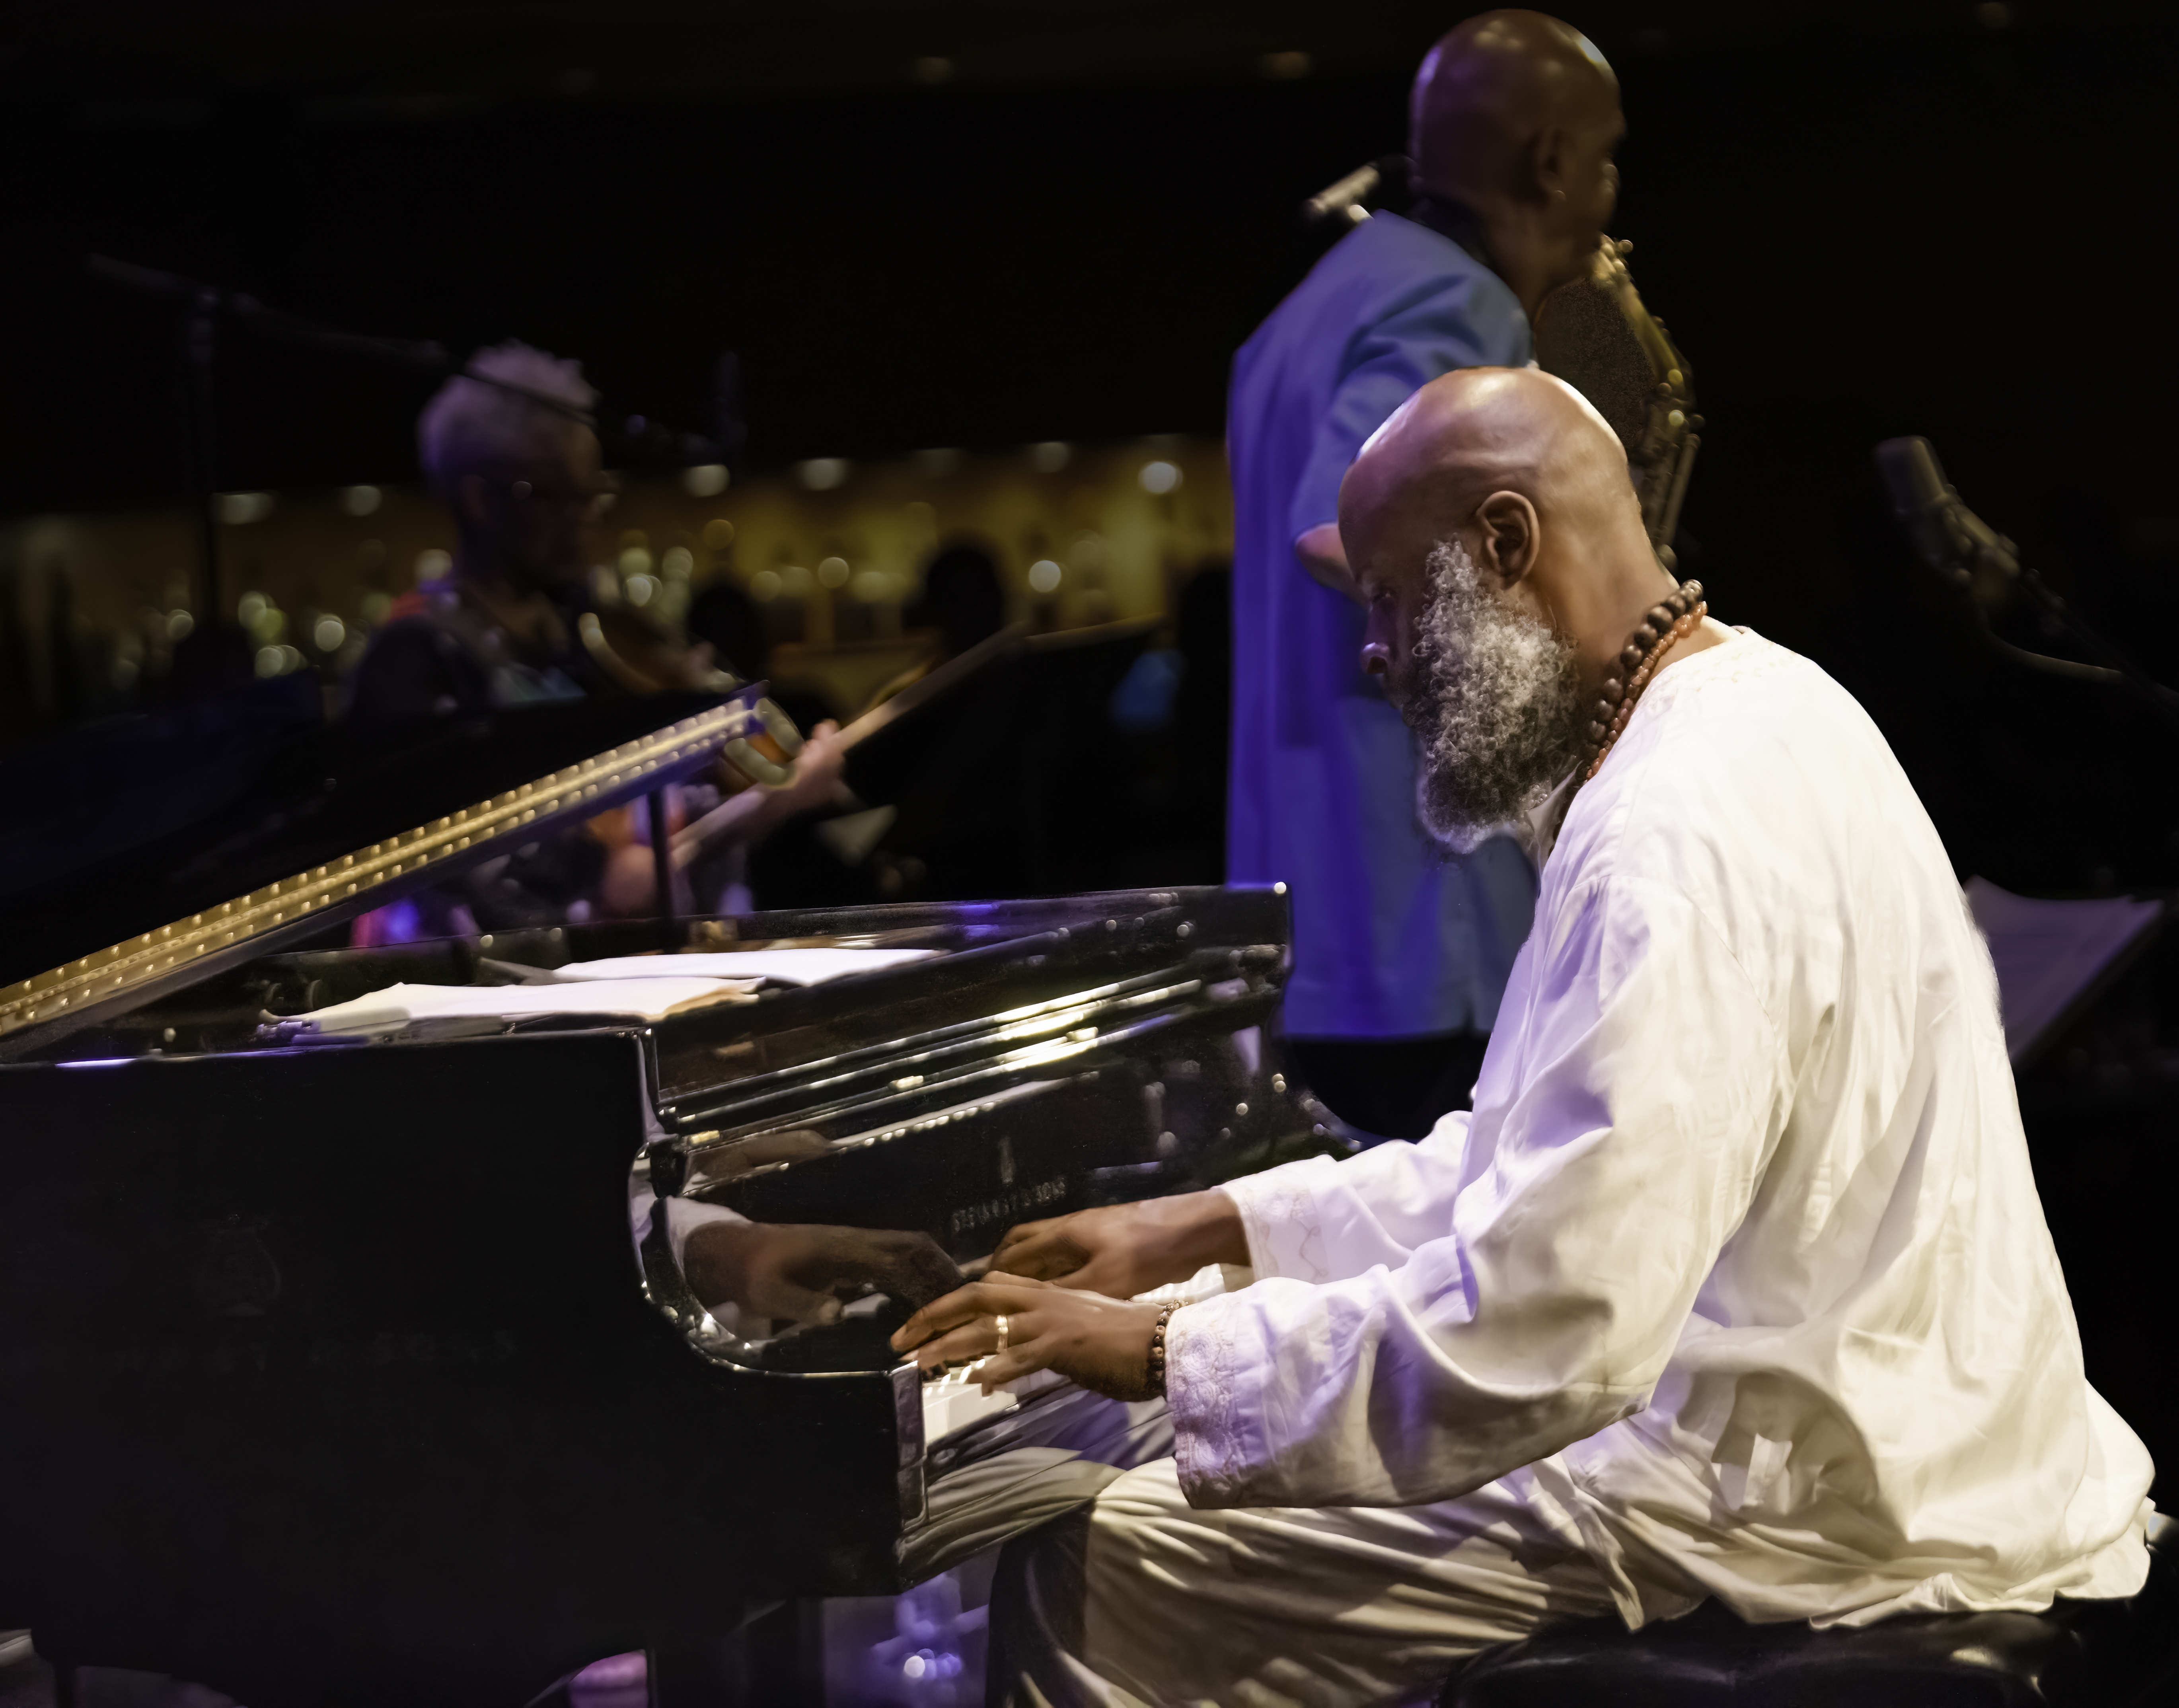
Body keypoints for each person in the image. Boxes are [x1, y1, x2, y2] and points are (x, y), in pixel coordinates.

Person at [892, 366, 2157, 1706]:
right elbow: (1532, 1161)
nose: (1373, 653)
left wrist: (1156, 1348)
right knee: (1153, 1392)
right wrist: (1207, 1229)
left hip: (1796, 1503)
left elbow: (1549, 1329)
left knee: (1097, 1560)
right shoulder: (1761, 701)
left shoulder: (1665, 834)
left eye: (1387, 595)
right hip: (1841, 1418)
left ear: (1502, 544)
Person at [1227, 10, 1630, 1141]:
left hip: (1311, 907)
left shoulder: (1309, 307)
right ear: (1550, 160)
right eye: (1605, 159)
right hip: (1421, 913)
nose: (1607, 196)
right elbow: (1339, 529)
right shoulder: (1454, 299)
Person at [346, 343, 843, 933]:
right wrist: (763, 804)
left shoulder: (580, 637)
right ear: (481, 499)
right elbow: (501, 875)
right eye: (560, 496)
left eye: (594, 493)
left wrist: (708, 753)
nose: (588, 517)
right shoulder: (414, 659)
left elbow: (638, 833)